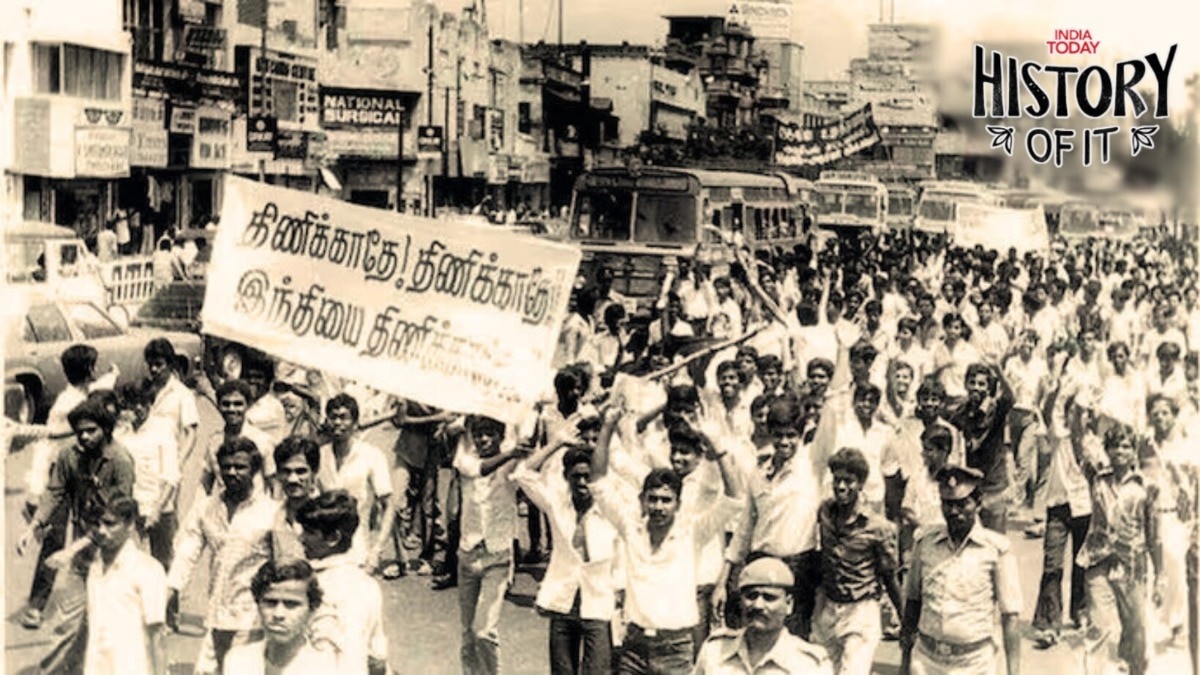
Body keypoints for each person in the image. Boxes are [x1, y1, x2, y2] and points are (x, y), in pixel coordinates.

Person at [591, 401, 744, 673]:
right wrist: (607, 428)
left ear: (677, 503)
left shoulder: (692, 531)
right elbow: (598, 484)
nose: (659, 506)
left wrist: (714, 442)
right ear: (643, 500)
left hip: (676, 648)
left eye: (666, 500)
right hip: (634, 646)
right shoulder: (631, 527)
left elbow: (735, 499)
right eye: (653, 499)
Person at [17, 398, 136, 673]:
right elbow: (55, 492)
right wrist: (33, 526)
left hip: (115, 554)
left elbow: (115, 519)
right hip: (83, 554)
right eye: (79, 431)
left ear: (105, 430)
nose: (83, 436)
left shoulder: (120, 461)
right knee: (67, 621)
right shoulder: (70, 455)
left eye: (91, 430)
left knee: (113, 626)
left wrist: (71, 549)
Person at [19, 344, 119, 630]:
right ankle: (37, 605)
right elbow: (49, 448)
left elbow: (97, 388)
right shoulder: (67, 405)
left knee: (87, 535)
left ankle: (83, 606)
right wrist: (38, 491)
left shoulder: (78, 394)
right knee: (56, 538)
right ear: (88, 370)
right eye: (94, 366)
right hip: (61, 474)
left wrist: (111, 376)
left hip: (83, 472)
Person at [168, 437, 280, 674]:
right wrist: (172, 589)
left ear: (255, 469)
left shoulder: (271, 512)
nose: (232, 472)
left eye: (240, 467)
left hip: (254, 617)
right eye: (226, 466)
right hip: (217, 613)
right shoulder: (206, 508)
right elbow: (188, 550)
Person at [899, 465, 1022, 675]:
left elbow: (1010, 617)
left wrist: (1014, 672)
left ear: (978, 503)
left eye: (962, 504)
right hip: (927, 662)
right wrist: (904, 664)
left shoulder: (995, 550)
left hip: (974, 664)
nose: (954, 512)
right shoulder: (925, 543)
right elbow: (912, 603)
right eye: (947, 504)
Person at [511, 442, 619, 674]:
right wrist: (557, 441)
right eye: (576, 476)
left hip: (599, 604)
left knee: (598, 670)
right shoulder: (557, 505)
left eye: (588, 477)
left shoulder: (612, 511)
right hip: (563, 603)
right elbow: (522, 474)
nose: (582, 483)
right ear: (566, 477)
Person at [1076, 425, 1162, 675]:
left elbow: (1154, 534)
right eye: (1114, 446)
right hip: (1098, 559)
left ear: (1134, 451)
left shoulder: (1147, 487)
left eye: (1126, 446)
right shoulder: (1096, 477)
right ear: (1107, 450)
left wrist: (1161, 575)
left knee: (1135, 628)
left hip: (1132, 565)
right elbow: (1078, 439)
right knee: (1098, 628)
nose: (1120, 451)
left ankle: (1134, 668)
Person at [812, 448, 902, 675]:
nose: (841, 487)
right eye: (837, 480)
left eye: (849, 481)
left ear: (861, 484)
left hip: (861, 611)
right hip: (829, 608)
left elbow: (890, 577)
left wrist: (905, 619)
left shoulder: (878, 528)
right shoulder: (824, 513)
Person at [453, 415, 530, 675]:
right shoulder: (465, 459)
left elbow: (529, 458)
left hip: (497, 556)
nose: (483, 439)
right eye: (479, 434)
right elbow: (479, 469)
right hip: (468, 554)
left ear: (500, 435)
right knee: (467, 633)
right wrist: (511, 453)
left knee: (484, 631)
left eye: (490, 434)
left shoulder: (512, 465)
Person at [296, 491, 388, 675]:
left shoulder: (319, 587)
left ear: (333, 538)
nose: (302, 538)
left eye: (310, 532)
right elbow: (377, 656)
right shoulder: (368, 584)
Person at [692, 556, 834, 675]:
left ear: (789, 604)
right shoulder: (715, 651)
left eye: (769, 597)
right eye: (751, 596)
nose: (758, 605)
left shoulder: (808, 665)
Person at [83, 493, 167, 675]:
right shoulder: (95, 568)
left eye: (110, 524)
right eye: (98, 524)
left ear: (130, 525)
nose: (102, 531)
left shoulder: (148, 570)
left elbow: (157, 636)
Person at [316, 393, 396, 571]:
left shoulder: (372, 456)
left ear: (355, 423)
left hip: (358, 554)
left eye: (344, 418)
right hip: (321, 555)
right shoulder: (320, 455)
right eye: (333, 417)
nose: (337, 423)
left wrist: (377, 551)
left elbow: (388, 505)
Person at [222, 559, 338, 675]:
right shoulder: (238, 660)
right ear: (257, 604)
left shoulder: (325, 666)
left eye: (291, 604)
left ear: (312, 609)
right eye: (270, 602)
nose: (278, 614)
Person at [143, 337, 198, 566]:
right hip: (144, 468)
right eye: (151, 364)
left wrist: (178, 463)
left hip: (167, 469)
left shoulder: (182, 394)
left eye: (159, 364)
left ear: (170, 364)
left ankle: (169, 591)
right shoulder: (146, 389)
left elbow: (191, 432)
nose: (154, 370)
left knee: (164, 529)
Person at [201, 380, 277, 496]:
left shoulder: (263, 440)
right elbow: (205, 484)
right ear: (219, 405)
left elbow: (274, 485)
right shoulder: (214, 441)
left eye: (238, 404)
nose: (231, 409)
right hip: (223, 508)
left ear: (248, 405)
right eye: (226, 404)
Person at [273, 435, 323, 559]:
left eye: (301, 471)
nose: (292, 479)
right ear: (278, 474)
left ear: (314, 472)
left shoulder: (328, 515)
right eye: (286, 471)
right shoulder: (273, 516)